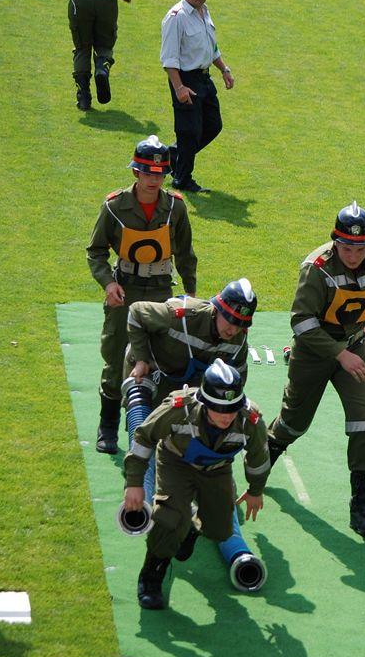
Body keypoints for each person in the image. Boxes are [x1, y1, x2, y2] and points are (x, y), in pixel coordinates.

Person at [267, 202, 365, 538]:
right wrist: (340, 355)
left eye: (359, 248)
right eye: (346, 247)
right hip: (315, 352)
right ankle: (266, 450)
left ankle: (363, 506)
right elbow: (301, 322)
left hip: (353, 345)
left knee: (363, 420)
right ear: (335, 242)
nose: (353, 255)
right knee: (294, 423)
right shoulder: (317, 269)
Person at [123, 359, 270, 609]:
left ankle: (191, 527)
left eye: (232, 408)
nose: (227, 416)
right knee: (169, 517)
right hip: (176, 463)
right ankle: (151, 577)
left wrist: (256, 490)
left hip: (216, 469)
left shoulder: (250, 420)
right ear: (204, 403)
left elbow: (258, 458)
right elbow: (144, 437)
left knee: (221, 529)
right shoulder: (179, 408)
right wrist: (134, 483)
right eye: (219, 409)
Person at [87, 135, 197, 455]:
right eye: (148, 173)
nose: (154, 179)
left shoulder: (175, 207)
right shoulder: (114, 206)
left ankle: (153, 428)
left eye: (160, 173)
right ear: (136, 172)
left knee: (160, 358)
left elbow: (185, 253)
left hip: (162, 290)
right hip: (125, 290)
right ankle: (108, 425)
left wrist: (190, 293)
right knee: (115, 356)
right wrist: (108, 284)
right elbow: (95, 251)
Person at [126, 277, 256, 405]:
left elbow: (238, 373)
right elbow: (136, 312)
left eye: (240, 325)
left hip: (188, 383)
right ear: (217, 310)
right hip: (150, 369)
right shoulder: (180, 316)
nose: (233, 331)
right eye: (230, 321)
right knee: (141, 415)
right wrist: (141, 360)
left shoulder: (239, 339)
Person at [160, 0, 234, 193]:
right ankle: (182, 179)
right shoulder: (176, 18)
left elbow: (210, 46)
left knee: (213, 125)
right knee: (189, 131)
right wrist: (179, 87)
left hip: (204, 77)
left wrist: (224, 69)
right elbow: (169, 59)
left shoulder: (204, 11)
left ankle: (173, 156)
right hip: (185, 79)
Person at [51, 0, 133, 111]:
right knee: (105, 45)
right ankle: (102, 68)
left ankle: (83, 97)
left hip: (79, 1)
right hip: (106, 0)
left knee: (82, 48)